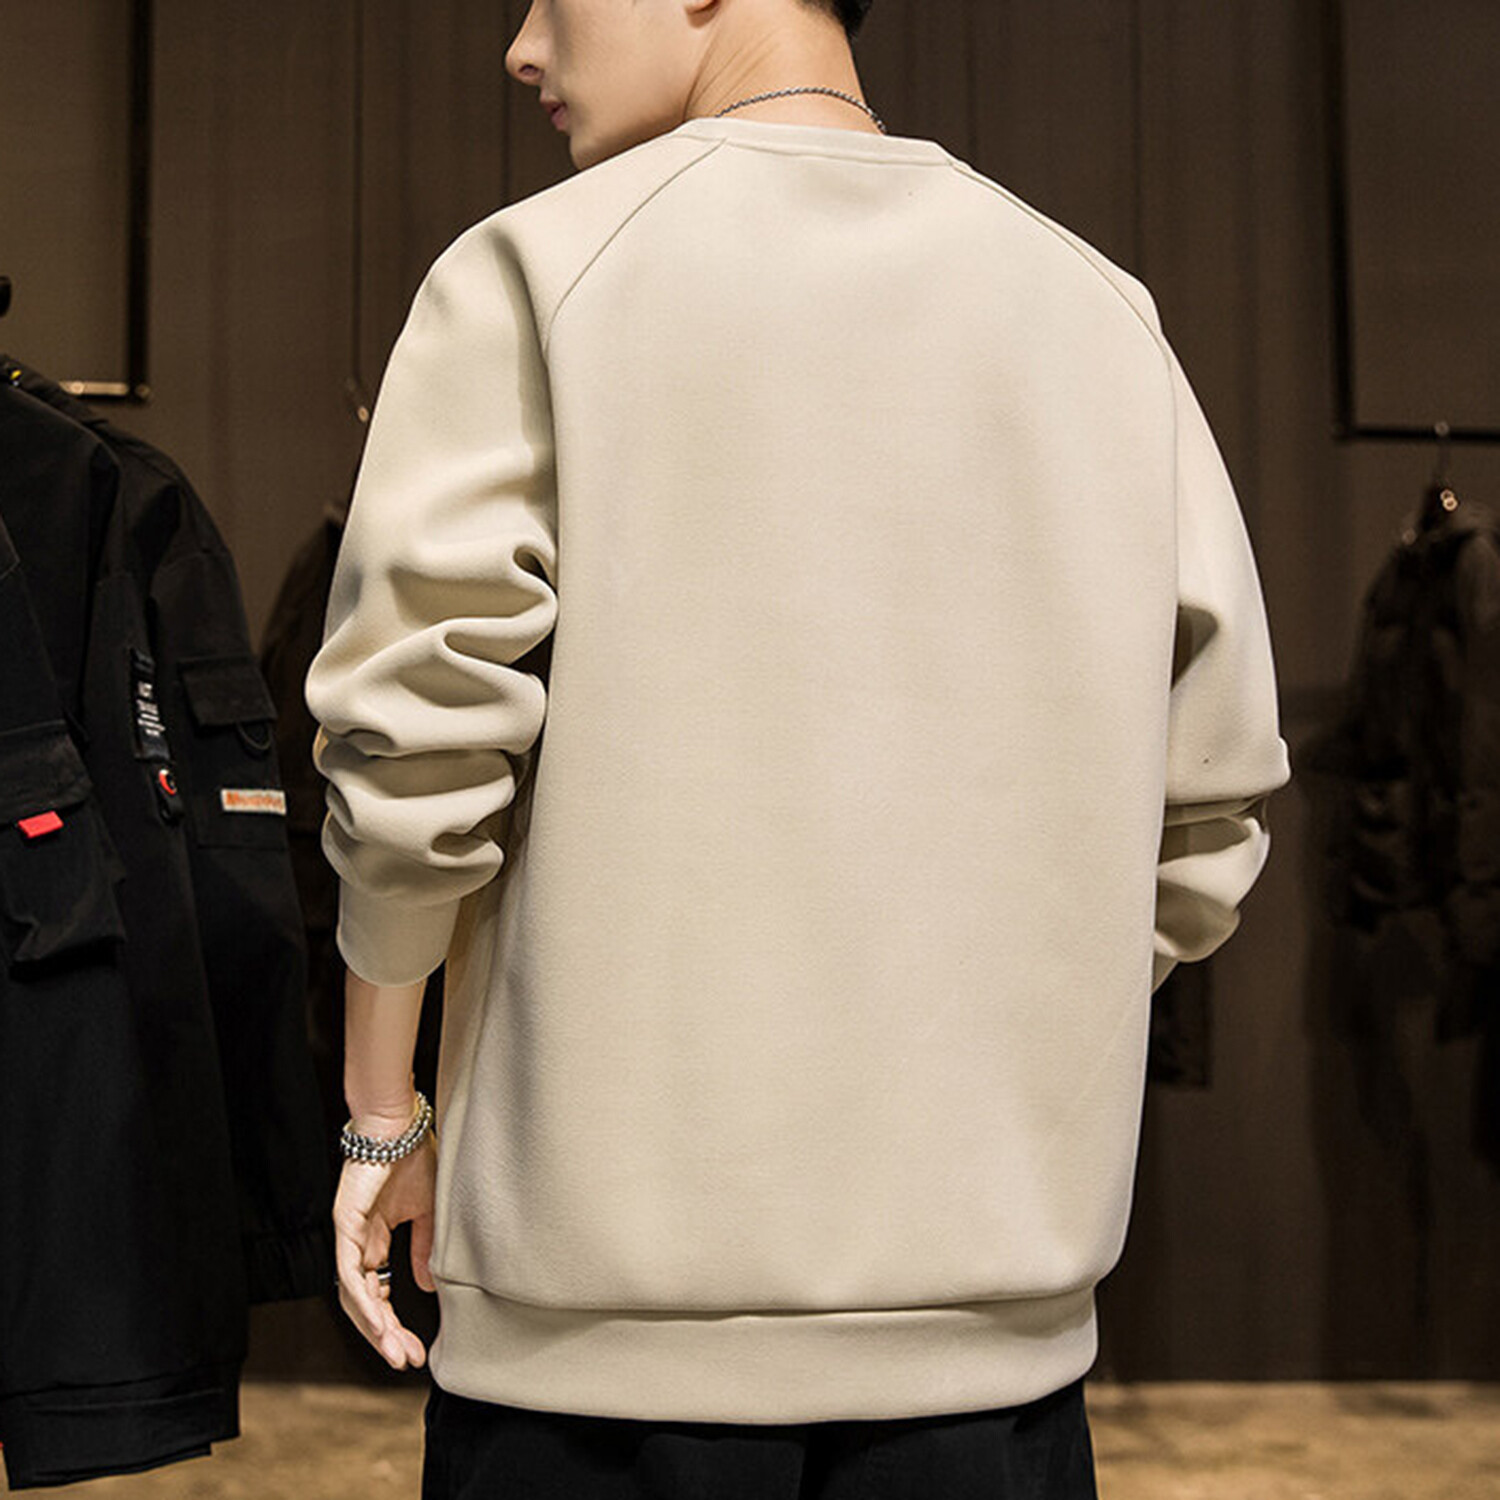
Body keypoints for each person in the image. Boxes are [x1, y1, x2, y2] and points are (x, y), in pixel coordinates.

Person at [303, 0, 1292, 1493]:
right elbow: (1209, 811)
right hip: (999, 1363)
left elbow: (412, 754)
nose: (522, 47)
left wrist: (386, 1120)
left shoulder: (539, 270)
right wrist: (989, 1039)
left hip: (598, 1367)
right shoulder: (1098, 309)